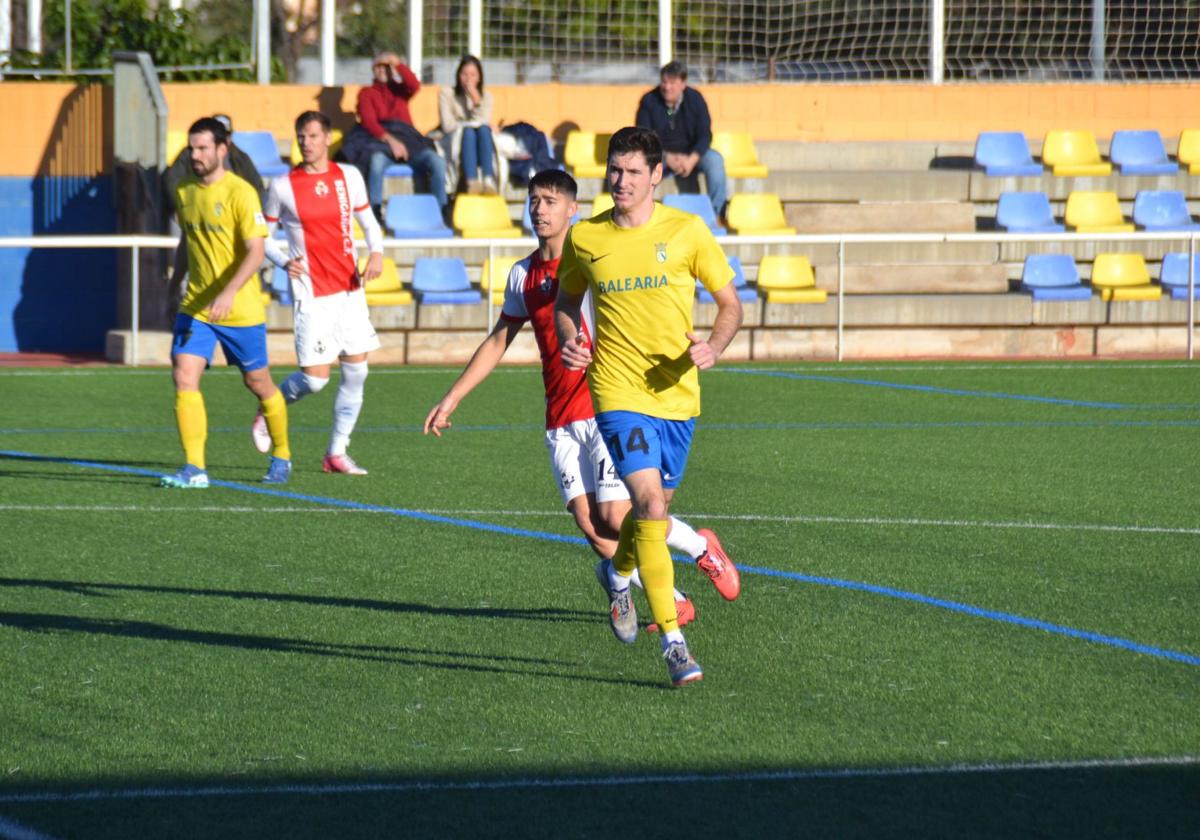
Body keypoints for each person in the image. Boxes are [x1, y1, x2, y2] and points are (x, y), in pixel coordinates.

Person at [424, 168, 739, 633]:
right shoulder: (523, 275)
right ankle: (673, 596)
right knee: (593, 527)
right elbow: (499, 339)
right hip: (559, 417)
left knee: (618, 515)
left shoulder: (595, 260)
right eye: (534, 200)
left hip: (605, 404)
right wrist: (451, 398)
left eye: (551, 201)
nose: (540, 209)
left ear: (574, 209)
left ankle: (697, 548)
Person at [554, 126, 743, 687]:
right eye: (615, 170)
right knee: (649, 503)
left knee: (648, 519)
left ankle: (617, 575)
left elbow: (729, 303)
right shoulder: (586, 237)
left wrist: (715, 344)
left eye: (634, 172)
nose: (622, 181)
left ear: (658, 176)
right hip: (615, 393)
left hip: (677, 395)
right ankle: (675, 644)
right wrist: (570, 333)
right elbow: (567, 298)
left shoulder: (687, 231)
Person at [161, 117, 292, 489]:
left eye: (203, 148)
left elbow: (256, 252)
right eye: (192, 148)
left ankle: (281, 454)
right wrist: (174, 289)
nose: (195, 155)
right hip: (197, 307)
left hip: (240, 309)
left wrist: (230, 291)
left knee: (258, 382)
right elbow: (188, 242)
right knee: (184, 375)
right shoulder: (185, 191)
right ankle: (194, 468)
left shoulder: (241, 193)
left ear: (223, 149)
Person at [257, 110, 384, 475]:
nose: (306, 143)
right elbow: (262, 236)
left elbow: (368, 222)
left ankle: (336, 453)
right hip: (312, 292)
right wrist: (282, 260)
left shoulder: (350, 176)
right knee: (314, 379)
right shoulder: (282, 185)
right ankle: (269, 408)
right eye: (301, 136)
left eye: (313, 136)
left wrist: (376, 253)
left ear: (328, 138)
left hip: (349, 291)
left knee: (357, 373)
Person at [340, 51, 448, 221]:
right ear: (373, 69)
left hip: (410, 142)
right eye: (379, 66)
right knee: (375, 162)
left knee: (437, 161)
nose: (383, 70)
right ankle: (374, 212)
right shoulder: (366, 93)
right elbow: (369, 122)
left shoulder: (400, 90)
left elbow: (414, 85)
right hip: (382, 143)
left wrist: (396, 63)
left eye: (386, 66)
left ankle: (440, 210)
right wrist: (392, 142)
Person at [634, 61, 727, 221]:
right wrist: (666, 158)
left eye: (672, 83)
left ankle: (717, 215)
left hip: (692, 155)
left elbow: (705, 135)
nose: (667, 87)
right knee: (640, 166)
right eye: (664, 82)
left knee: (715, 161)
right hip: (659, 156)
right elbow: (644, 137)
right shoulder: (649, 101)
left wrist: (692, 159)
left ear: (683, 84)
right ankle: (637, 215)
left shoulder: (696, 99)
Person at [438, 55, 498, 195]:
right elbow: (447, 124)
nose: (468, 79)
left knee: (483, 129)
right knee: (469, 131)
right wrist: (467, 124)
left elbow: (483, 121)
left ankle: (488, 180)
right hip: (455, 138)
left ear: (479, 77)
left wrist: (476, 101)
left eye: (473, 75)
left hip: (480, 137)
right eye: (464, 74)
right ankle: (471, 183)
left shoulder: (487, 97)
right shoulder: (447, 94)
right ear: (458, 75)